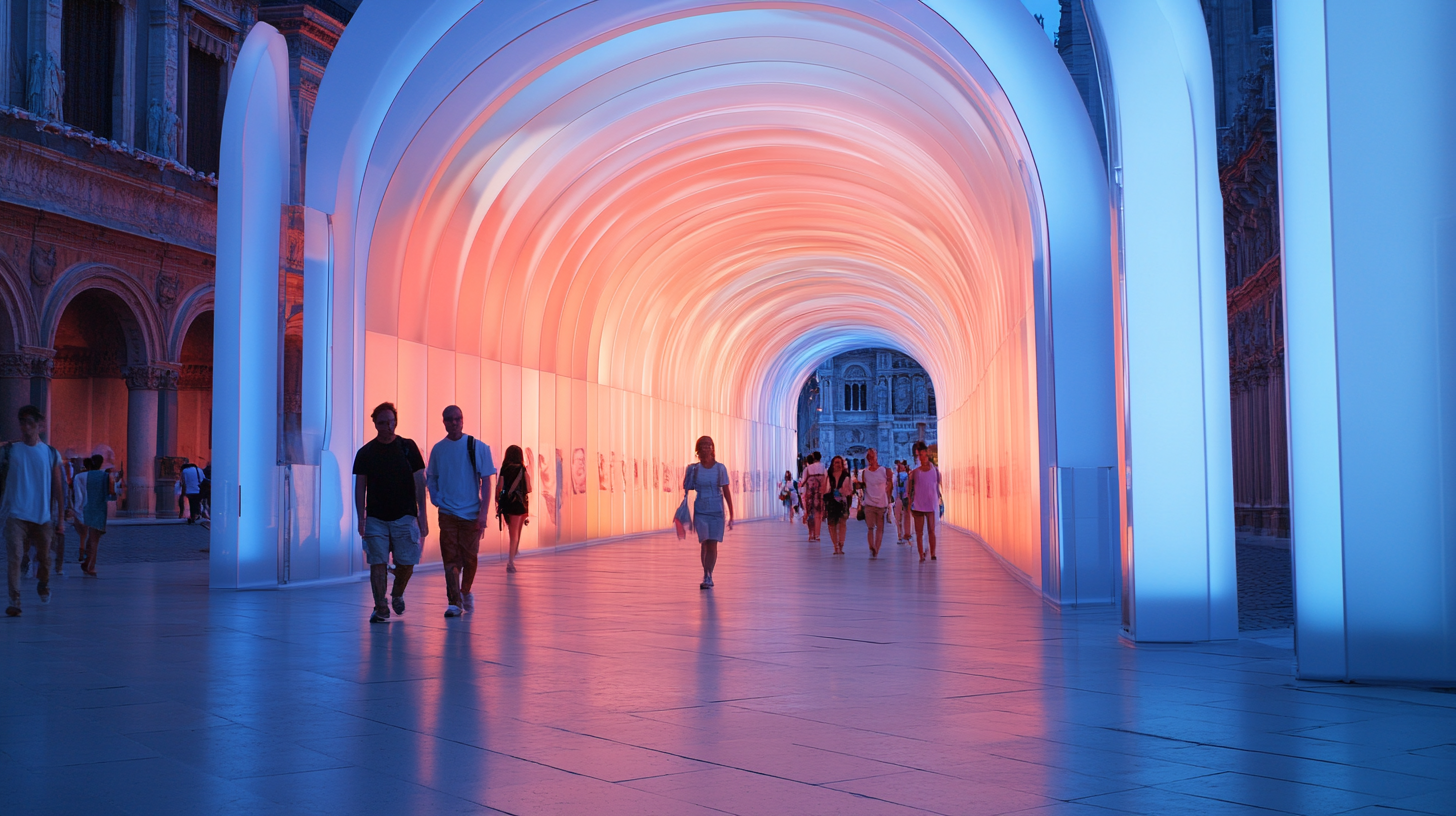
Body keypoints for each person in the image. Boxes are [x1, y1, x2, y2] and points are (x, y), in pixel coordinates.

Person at [353, 402, 428, 624]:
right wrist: (361, 518)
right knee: (377, 561)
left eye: (391, 422)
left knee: (407, 562)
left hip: (404, 516)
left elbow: (419, 482)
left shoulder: (407, 447)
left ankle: (397, 593)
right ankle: (381, 606)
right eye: (383, 423)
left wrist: (422, 515)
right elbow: (360, 487)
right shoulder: (366, 452)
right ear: (375, 424)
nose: (388, 427)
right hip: (376, 517)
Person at [426, 405, 496, 618]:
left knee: (470, 558)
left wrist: (483, 513)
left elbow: (486, 481)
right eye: (449, 419)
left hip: (471, 512)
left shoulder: (477, 447)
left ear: (463, 420)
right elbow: (431, 476)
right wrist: (437, 498)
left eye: (457, 419)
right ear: (444, 422)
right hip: (447, 512)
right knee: (450, 557)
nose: (454, 423)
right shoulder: (438, 449)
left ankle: (465, 591)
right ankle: (454, 601)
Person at [3, 405, 65, 617]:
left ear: (40, 425)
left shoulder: (50, 453)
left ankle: (43, 584)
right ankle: (15, 600)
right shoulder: (11, 450)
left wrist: (61, 519)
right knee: (15, 557)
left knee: (45, 558)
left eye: (30, 422)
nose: (25, 427)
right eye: (22, 422)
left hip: (42, 516)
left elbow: (58, 488)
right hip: (16, 515)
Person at [684, 436, 733, 589]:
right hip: (701, 510)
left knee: (712, 544)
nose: (706, 447)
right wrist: (688, 474)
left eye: (709, 445)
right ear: (698, 449)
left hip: (716, 510)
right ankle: (706, 572)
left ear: (713, 448)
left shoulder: (720, 468)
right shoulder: (694, 469)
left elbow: (726, 490)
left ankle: (708, 575)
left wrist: (731, 514)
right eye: (703, 445)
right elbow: (687, 487)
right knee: (704, 542)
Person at [74, 455, 113, 576]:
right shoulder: (105, 476)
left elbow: (77, 496)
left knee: (89, 538)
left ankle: (86, 560)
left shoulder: (79, 477)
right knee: (95, 539)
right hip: (99, 510)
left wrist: (76, 510)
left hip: (84, 510)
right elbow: (111, 494)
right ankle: (90, 565)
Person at [495, 445, 530, 574]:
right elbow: (529, 488)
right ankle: (511, 561)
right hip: (521, 504)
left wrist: (498, 500)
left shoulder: (505, 469)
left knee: (512, 532)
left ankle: (513, 555)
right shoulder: (522, 469)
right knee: (517, 533)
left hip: (508, 504)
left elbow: (500, 486)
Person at [907, 441, 942, 562]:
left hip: (930, 504)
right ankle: (921, 553)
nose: (921, 457)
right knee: (919, 532)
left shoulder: (935, 471)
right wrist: (909, 502)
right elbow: (909, 489)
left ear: (927, 454)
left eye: (922, 455)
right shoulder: (915, 473)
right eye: (919, 455)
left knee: (931, 530)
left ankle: (932, 553)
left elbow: (937, 485)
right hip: (918, 504)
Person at [860, 448, 892, 558]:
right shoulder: (865, 472)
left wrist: (888, 499)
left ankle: (876, 549)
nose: (870, 459)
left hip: (881, 503)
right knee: (870, 527)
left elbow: (889, 485)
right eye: (868, 457)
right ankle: (871, 546)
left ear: (876, 457)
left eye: (872, 456)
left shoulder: (884, 470)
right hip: (869, 503)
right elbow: (864, 486)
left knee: (880, 527)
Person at [822, 455, 852, 555]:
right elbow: (825, 489)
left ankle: (841, 544)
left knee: (842, 523)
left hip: (842, 501)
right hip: (831, 501)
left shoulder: (846, 476)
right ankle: (835, 545)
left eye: (839, 462)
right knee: (832, 524)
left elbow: (850, 489)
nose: (838, 465)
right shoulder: (828, 476)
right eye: (836, 462)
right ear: (832, 464)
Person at [800, 451, 825, 541]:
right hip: (820, 494)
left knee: (810, 513)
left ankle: (811, 533)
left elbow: (803, 482)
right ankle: (817, 534)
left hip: (809, 493)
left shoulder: (808, 469)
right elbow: (826, 481)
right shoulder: (823, 468)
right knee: (818, 514)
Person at [894, 460, 911, 543]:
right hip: (905, 498)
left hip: (898, 498)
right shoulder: (907, 476)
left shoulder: (896, 477)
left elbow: (894, 489)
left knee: (898, 518)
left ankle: (900, 534)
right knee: (906, 516)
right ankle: (906, 534)